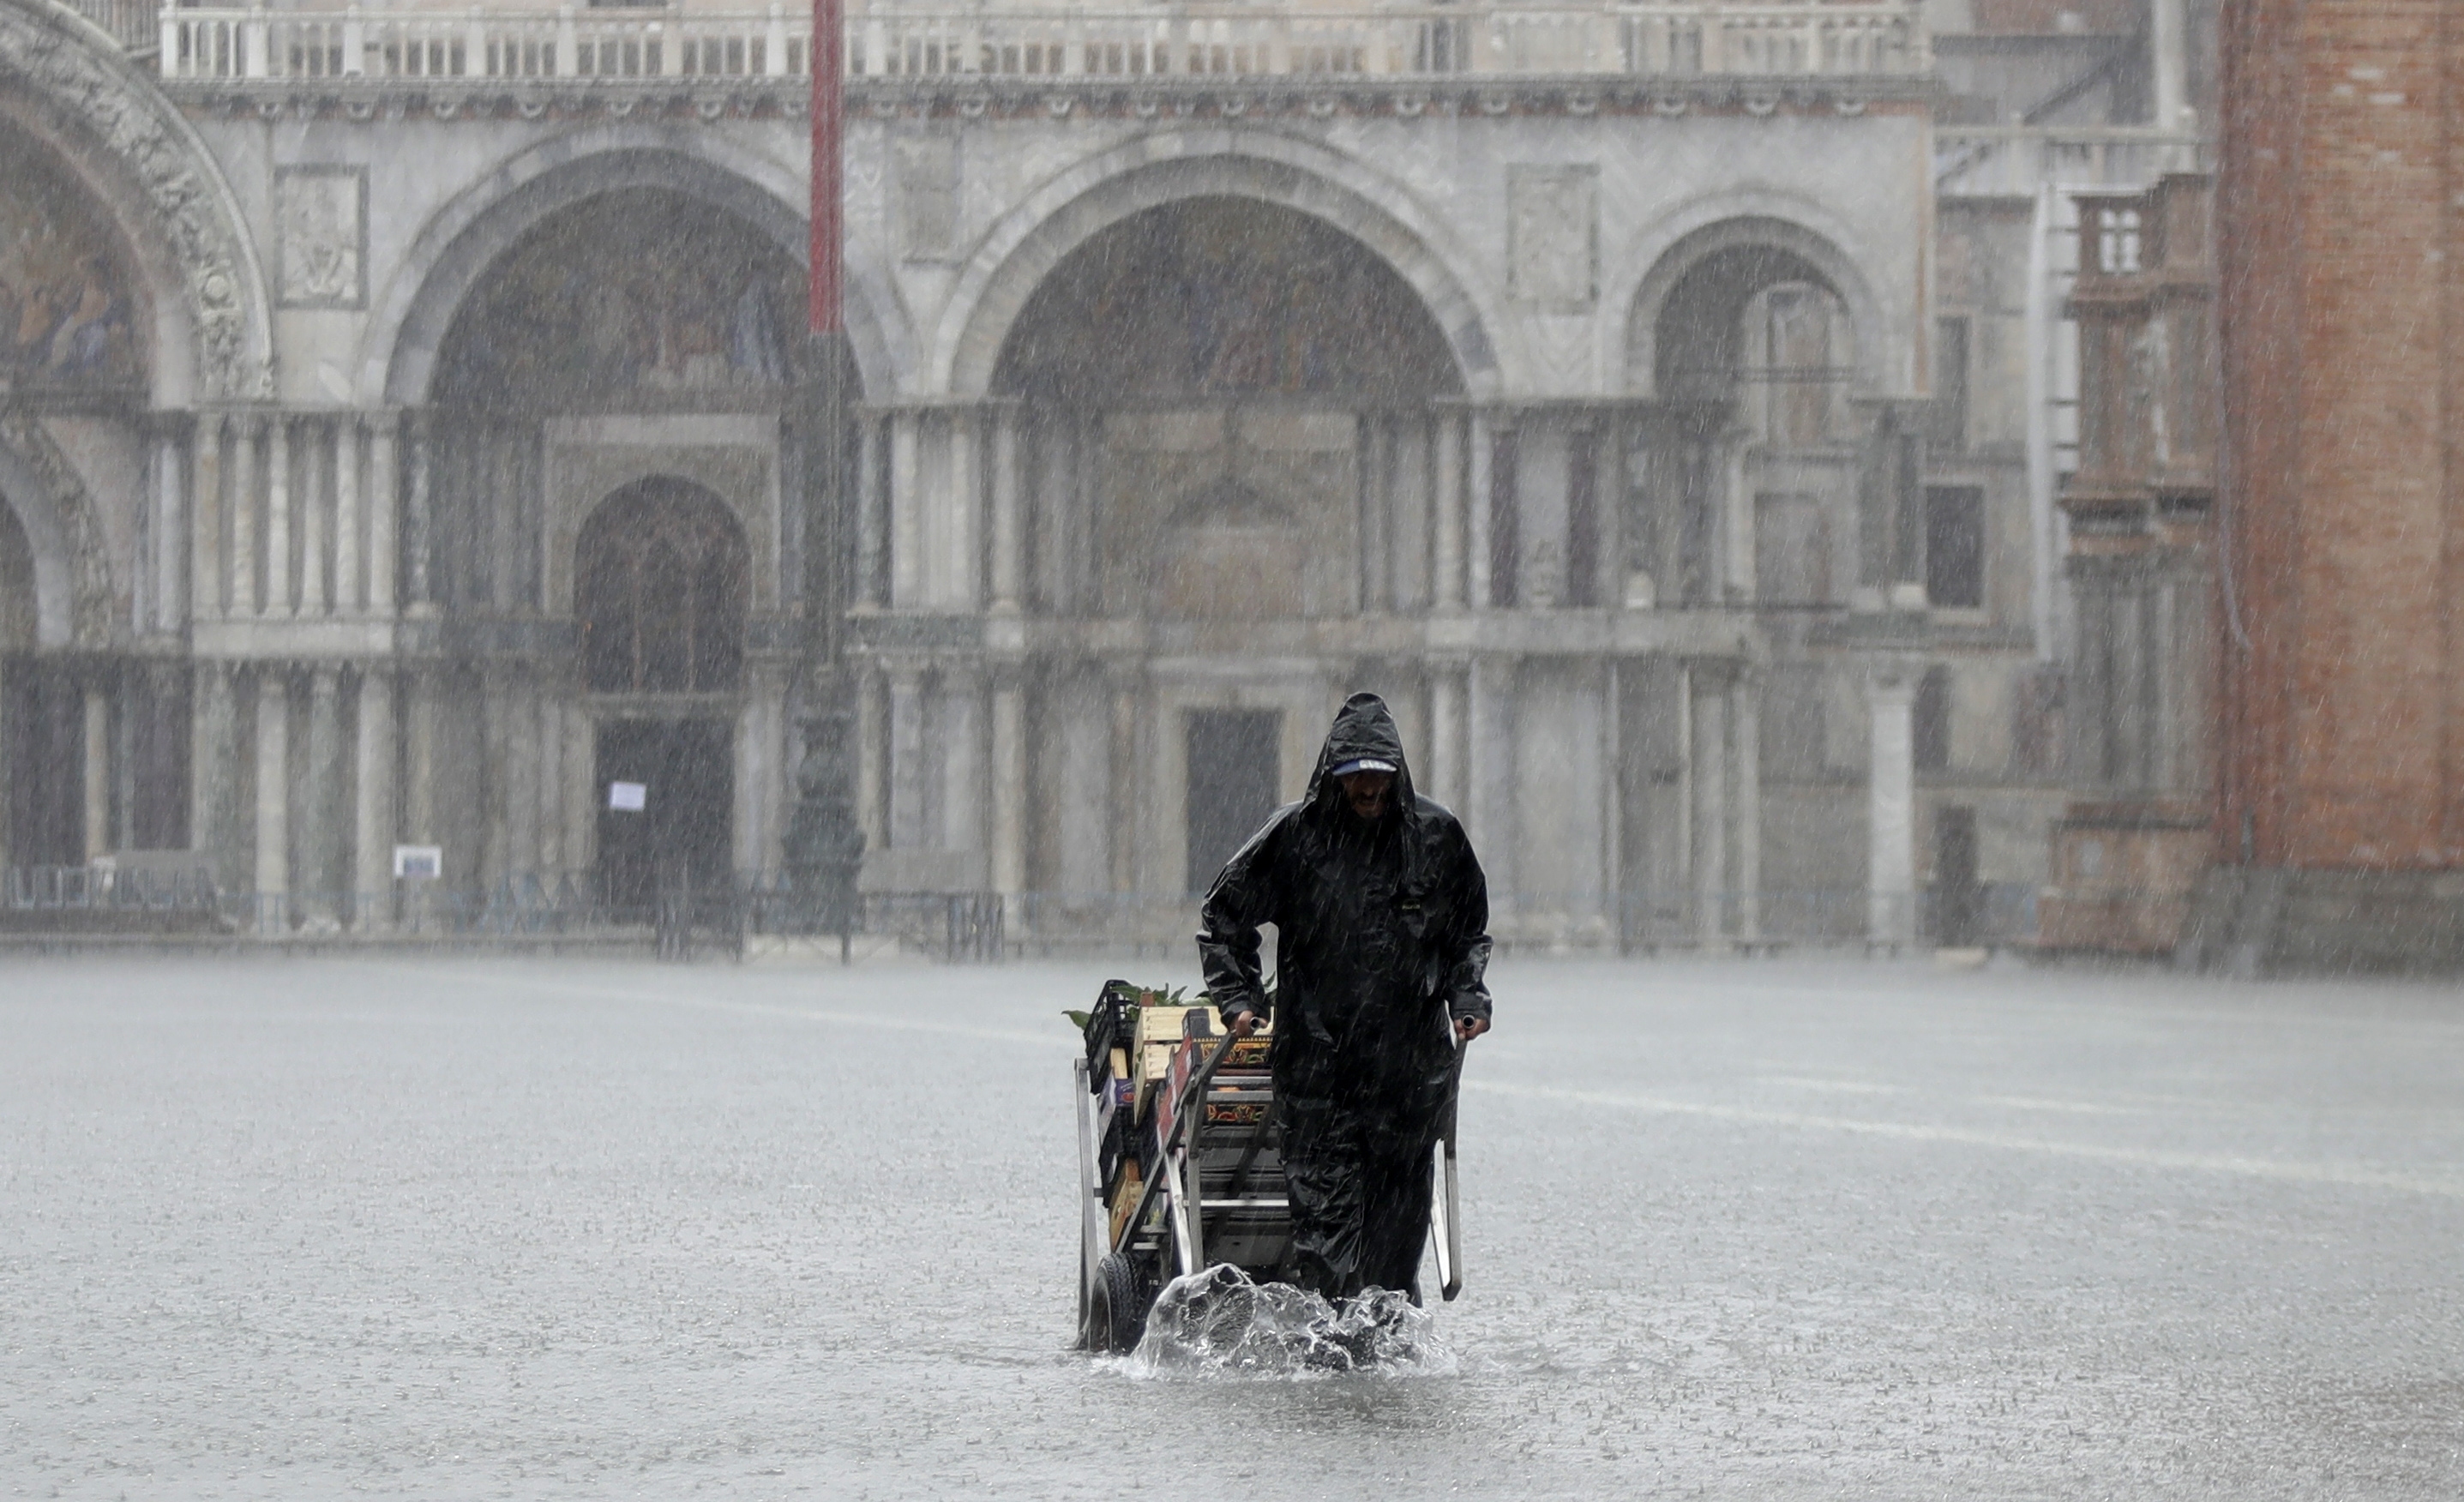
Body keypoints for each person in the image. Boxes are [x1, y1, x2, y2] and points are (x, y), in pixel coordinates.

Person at [1196, 691, 1492, 1304]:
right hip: (1318, 1080)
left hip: (1406, 1082)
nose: (1368, 789)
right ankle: (1331, 1364)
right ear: (1334, 775)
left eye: (1379, 777)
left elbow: (1467, 934)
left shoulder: (1435, 839)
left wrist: (1468, 997)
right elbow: (1224, 918)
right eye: (1356, 777)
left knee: (1393, 1255)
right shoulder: (1295, 838)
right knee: (1329, 1249)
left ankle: (1383, 1365)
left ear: (1396, 774)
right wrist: (1239, 996)